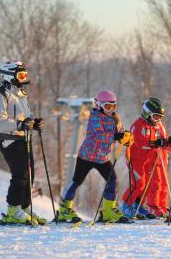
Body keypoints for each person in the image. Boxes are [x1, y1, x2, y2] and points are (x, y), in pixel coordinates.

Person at [57, 91, 133, 223]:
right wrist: (115, 137)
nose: (111, 110)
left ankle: (109, 210)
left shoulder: (115, 118)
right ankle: (64, 209)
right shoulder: (95, 117)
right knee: (77, 181)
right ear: (99, 105)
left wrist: (126, 138)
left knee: (112, 179)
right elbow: (99, 135)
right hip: (87, 156)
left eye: (113, 107)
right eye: (108, 107)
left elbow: (120, 132)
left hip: (102, 158)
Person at [0, 61, 46, 226]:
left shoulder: (21, 93)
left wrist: (34, 122)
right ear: (9, 76)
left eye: (25, 75)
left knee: (30, 175)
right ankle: (13, 210)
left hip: (24, 139)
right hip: (10, 140)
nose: (24, 78)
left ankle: (24, 206)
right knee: (20, 174)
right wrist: (20, 124)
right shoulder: (0, 95)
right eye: (21, 75)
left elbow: (26, 115)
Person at [121, 98, 171, 218]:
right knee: (139, 184)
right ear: (147, 113)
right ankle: (126, 206)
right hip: (136, 159)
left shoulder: (159, 126)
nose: (158, 120)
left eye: (160, 117)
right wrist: (156, 143)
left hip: (149, 160)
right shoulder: (138, 125)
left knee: (148, 184)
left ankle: (139, 205)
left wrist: (170, 142)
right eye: (155, 117)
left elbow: (162, 140)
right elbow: (139, 142)